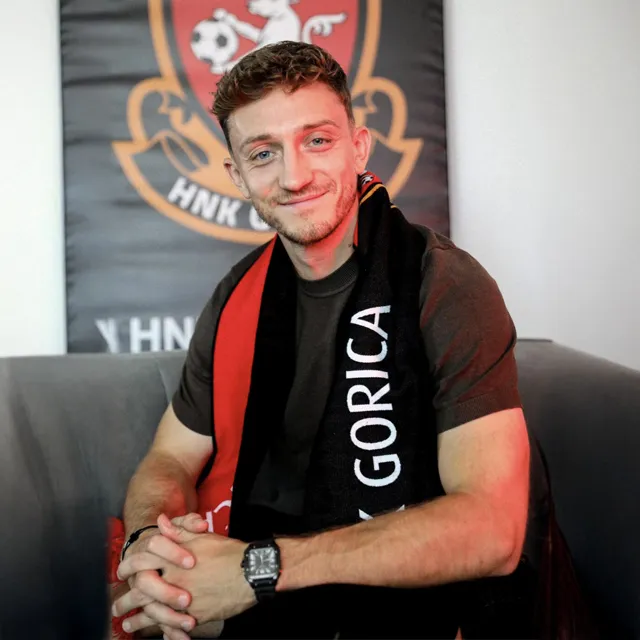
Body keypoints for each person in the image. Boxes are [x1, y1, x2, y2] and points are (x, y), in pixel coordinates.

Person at [111, 41, 546, 640]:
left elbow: (494, 531)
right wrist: (150, 546)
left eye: (317, 140)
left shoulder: (444, 285)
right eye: (264, 153)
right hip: (274, 598)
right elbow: (170, 458)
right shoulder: (238, 296)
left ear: (358, 147)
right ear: (237, 176)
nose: (294, 176)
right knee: (133, 611)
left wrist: (258, 569)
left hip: (423, 612)